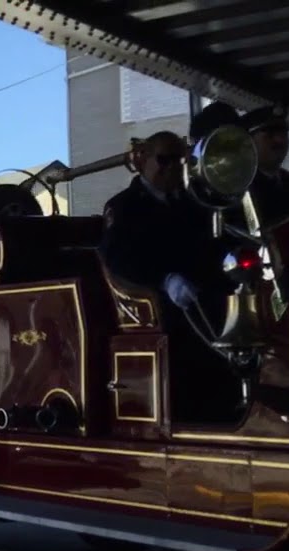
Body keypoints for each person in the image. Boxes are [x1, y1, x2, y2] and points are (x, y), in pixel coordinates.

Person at [100, 130, 238, 423]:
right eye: (164, 159)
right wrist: (164, 280)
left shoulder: (194, 203)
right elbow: (118, 259)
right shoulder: (123, 206)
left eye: (179, 159)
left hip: (202, 300)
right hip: (159, 307)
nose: (173, 166)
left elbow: (212, 246)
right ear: (145, 161)